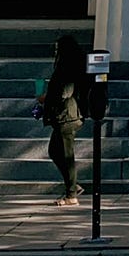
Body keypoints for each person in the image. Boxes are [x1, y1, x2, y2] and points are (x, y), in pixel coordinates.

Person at [37, 32, 87, 207]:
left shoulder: (68, 68)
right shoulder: (71, 65)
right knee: (55, 151)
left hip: (67, 116)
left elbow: (64, 92)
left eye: (58, 48)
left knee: (66, 155)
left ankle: (71, 193)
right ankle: (73, 186)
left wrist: (46, 97)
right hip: (65, 116)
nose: (55, 52)